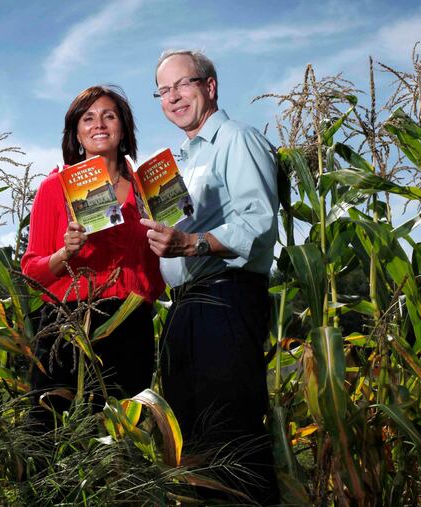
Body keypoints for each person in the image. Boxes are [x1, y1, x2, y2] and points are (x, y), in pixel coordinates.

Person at [140, 50, 280, 504]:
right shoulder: (178, 162)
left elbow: (255, 223)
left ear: (210, 86)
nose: (174, 97)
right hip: (186, 308)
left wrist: (191, 245)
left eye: (183, 85)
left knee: (231, 437)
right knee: (193, 443)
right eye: (164, 90)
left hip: (226, 298)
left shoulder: (237, 140)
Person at [21, 85, 165, 421]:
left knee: (121, 438)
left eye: (109, 116)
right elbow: (31, 273)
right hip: (67, 324)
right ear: (76, 132)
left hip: (131, 327)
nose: (99, 124)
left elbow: (158, 277)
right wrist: (64, 254)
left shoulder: (149, 191)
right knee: (49, 429)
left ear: (123, 127)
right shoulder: (53, 187)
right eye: (88, 118)